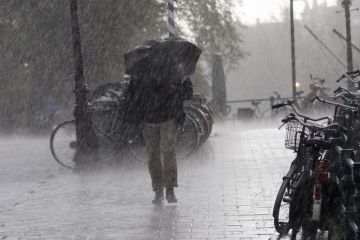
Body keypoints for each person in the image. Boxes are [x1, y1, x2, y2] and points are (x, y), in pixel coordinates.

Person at [126, 73, 193, 204]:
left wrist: (176, 90)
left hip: (168, 117)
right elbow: (132, 94)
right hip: (148, 120)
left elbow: (188, 92)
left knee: (168, 152)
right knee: (153, 155)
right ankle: (158, 189)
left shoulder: (174, 68)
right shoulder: (142, 71)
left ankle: (169, 189)